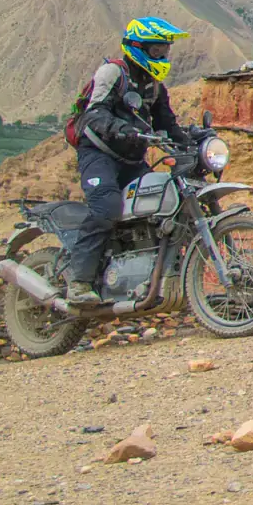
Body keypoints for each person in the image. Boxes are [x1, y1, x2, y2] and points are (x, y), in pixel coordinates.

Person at [63, 17, 194, 304]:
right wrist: (120, 129)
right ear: (138, 47)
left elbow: (167, 124)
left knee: (163, 203)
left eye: (164, 51)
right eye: (156, 50)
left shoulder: (154, 86)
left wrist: (192, 140)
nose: (162, 56)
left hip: (132, 158)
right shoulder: (113, 72)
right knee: (106, 206)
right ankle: (79, 282)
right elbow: (94, 113)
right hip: (99, 154)